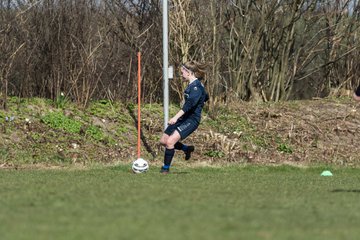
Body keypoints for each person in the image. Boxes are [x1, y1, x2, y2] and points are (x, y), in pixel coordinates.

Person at [159, 60, 209, 174]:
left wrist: (175, 118)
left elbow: (189, 105)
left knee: (170, 142)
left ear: (189, 72)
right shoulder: (192, 85)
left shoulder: (196, 87)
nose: (181, 75)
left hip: (192, 120)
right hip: (184, 118)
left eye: (182, 72)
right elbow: (206, 97)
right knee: (163, 141)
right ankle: (187, 149)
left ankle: (165, 170)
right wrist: (202, 101)